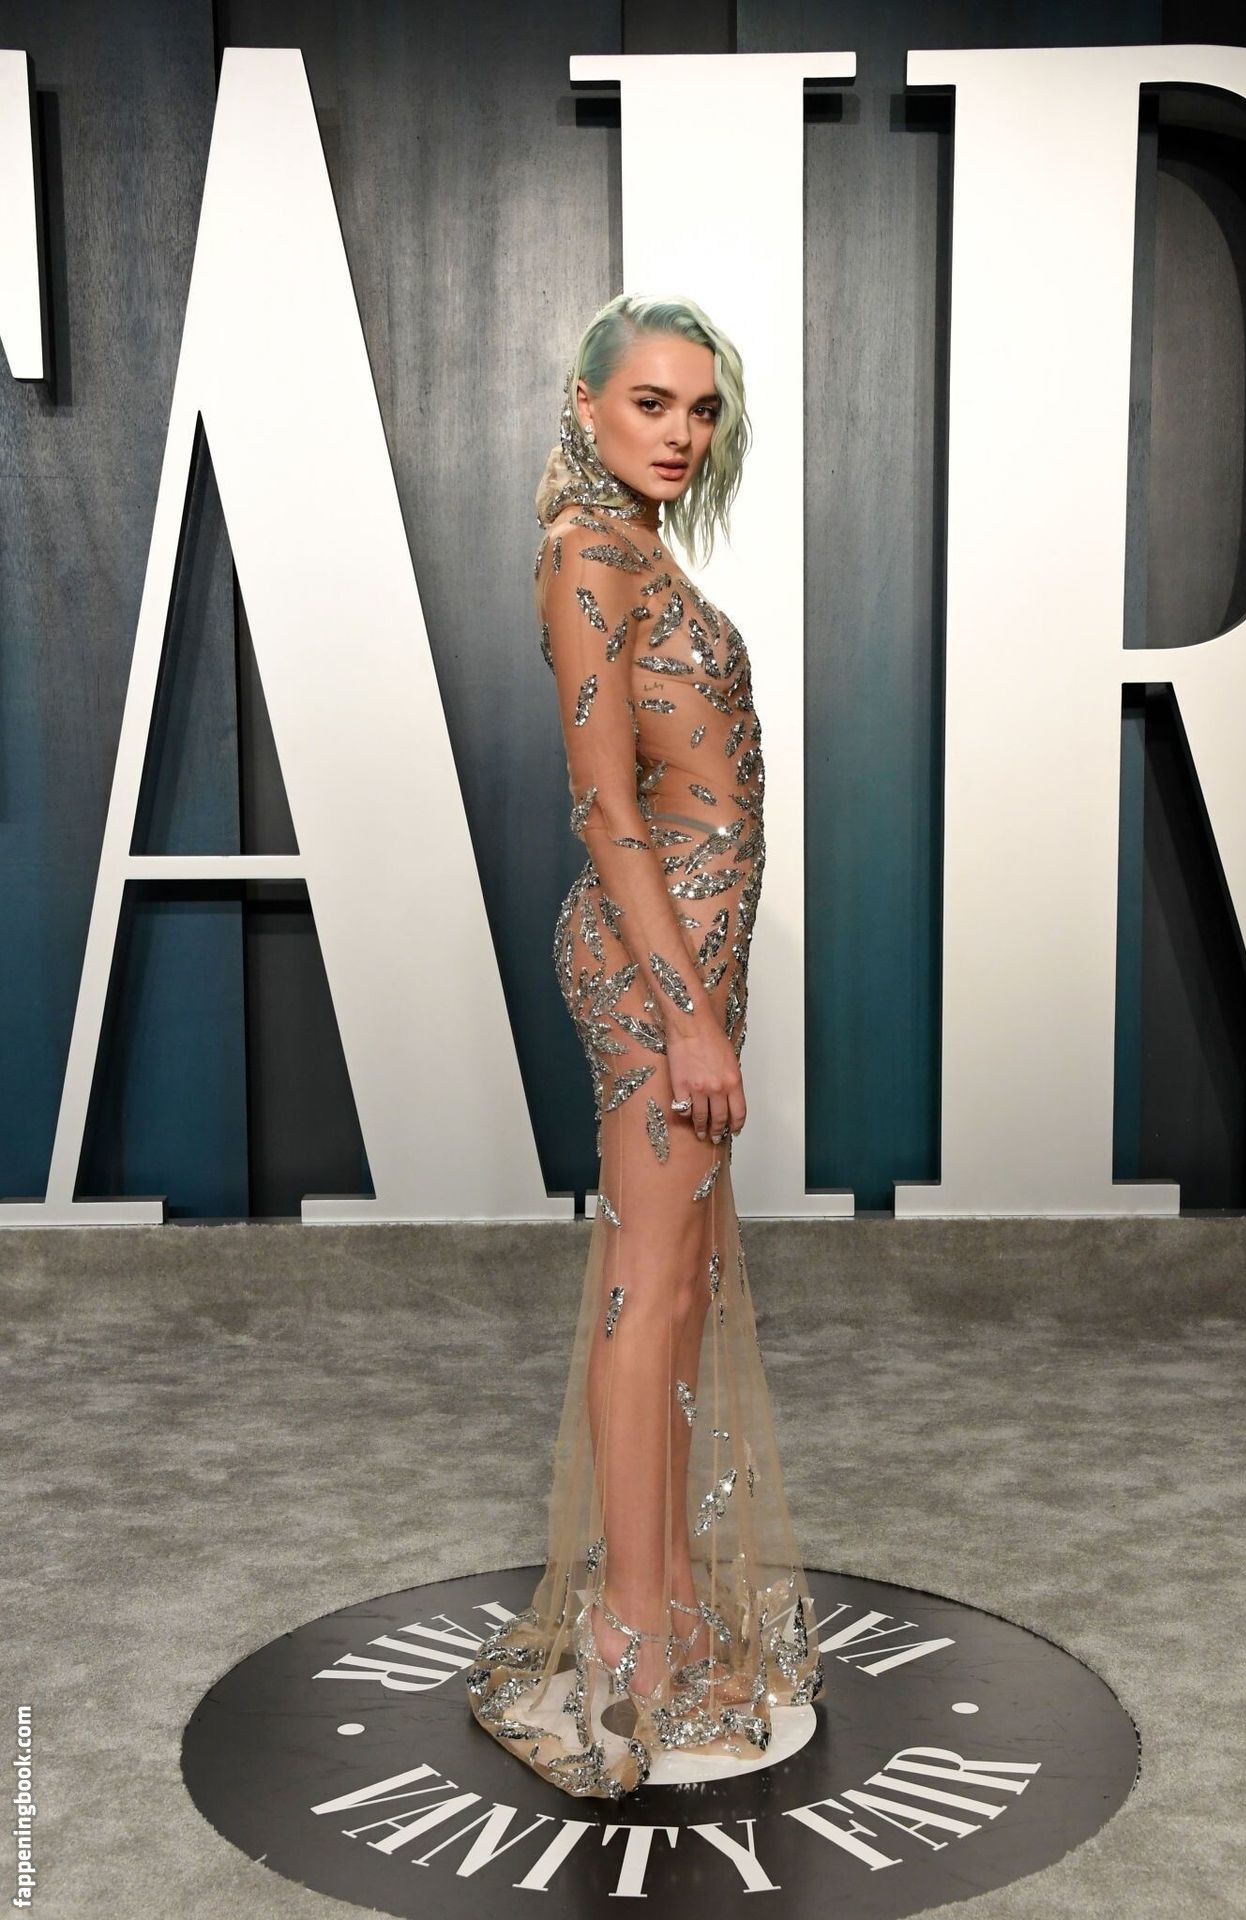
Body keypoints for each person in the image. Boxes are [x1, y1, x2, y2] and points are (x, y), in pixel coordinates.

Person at [463, 293, 823, 1798]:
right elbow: (606, 806)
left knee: (671, 1292)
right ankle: (627, 1637)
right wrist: (684, 1016)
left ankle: (664, 1596)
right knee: (646, 1289)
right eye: (652, 404)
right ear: (587, 404)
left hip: (690, 958)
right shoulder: (588, 556)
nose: (680, 433)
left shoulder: (639, 548)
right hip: (648, 969)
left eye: (702, 410)